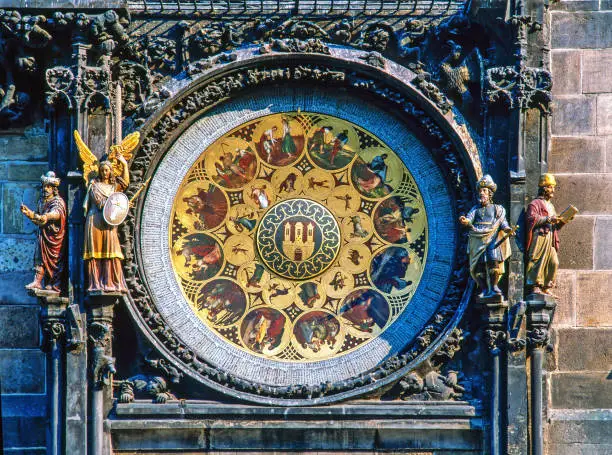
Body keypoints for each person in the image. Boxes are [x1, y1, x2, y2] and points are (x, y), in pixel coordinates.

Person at [459, 175, 513, 298]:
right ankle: (483, 288)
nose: (481, 194)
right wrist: (465, 221)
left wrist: (507, 228)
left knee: (493, 260)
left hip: (492, 236)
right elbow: (469, 219)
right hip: (477, 238)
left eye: (484, 191)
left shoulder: (497, 209)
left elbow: (502, 221)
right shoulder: (475, 209)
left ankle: (493, 287)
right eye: (480, 191)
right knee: (479, 265)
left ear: (489, 194)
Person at [83, 155, 129, 293]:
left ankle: (112, 282)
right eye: (102, 170)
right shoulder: (94, 186)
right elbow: (101, 204)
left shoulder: (114, 187)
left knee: (112, 251)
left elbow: (125, 183)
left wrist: (125, 165)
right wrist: (117, 204)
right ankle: (96, 283)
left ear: (111, 171)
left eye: (107, 170)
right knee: (95, 253)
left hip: (109, 221)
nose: (104, 172)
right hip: (96, 220)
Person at [20, 171, 66, 293]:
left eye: (49, 186)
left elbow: (57, 214)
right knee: (39, 257)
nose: (45, 189)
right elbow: (39, 221)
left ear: (54, 188)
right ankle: (37, 281)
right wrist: (29, 213)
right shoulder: (42, 201)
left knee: (55, 260)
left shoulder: (58, 201)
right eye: (44, 186)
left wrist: (46, 217)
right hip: (43, 235)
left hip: (53, 237)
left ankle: (54, 282)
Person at [525, 173, 567, 295]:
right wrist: (547, 219)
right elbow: (531, 219)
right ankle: (535, 285)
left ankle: (546, 285)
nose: (553, 190)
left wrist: (562, 221)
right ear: (544, 188)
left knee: (554, 262)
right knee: (537, 259)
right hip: (540, 237)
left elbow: (554, 224)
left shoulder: (551, 205)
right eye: (550, 187)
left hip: (550, 237)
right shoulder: (535, 204)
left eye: (553, 187)